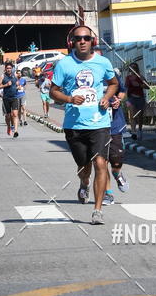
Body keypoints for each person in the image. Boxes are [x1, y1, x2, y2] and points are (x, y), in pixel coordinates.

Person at [50, 25, 118, 225]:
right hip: (74, 125)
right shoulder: (64, 64)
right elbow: (54, 91)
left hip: (100, 123)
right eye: (78, 38)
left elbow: (113, 83)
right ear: (72, 42)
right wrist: (70, 99)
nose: (82, 41)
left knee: (100, 163)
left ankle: (97, 210)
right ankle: (84, 182)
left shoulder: (102, 62)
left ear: (92, 41)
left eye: (86, 38)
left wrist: (107, 97)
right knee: (84, 165)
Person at [103, 69, 130, 205]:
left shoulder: (110, 75)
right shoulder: (83, 76)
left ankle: (117, 174)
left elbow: (122, 91)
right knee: (102, 164)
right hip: (96, 127)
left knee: (116, 162)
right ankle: (108, 194)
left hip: (115, 125)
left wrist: (118, 99)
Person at [125, 62, 147, 141]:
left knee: (140, 116)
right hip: (131, 99)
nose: (132, 69)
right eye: (131, 68)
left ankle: (140, 130)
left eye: (134, 67)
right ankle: (133, 132)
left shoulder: (140, 77)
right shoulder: (128, 78)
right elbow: (125, 87)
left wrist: (139, 85)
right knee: (132, 115)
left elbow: (147, 86)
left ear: (137, 69)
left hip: (140, 98)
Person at [0, 61, 20, 137]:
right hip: (6, 98)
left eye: (10, 68)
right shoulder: (2, 76)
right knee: (8, 116)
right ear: (5, 69)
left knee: (15, 114)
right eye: (7, 68)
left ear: (12, 68)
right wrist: (6, 85)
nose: (9, 69)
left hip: (14, 97)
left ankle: (16, 131)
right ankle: (8, 126)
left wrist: (18, 86)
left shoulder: (14, 75)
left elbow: (17, 83)